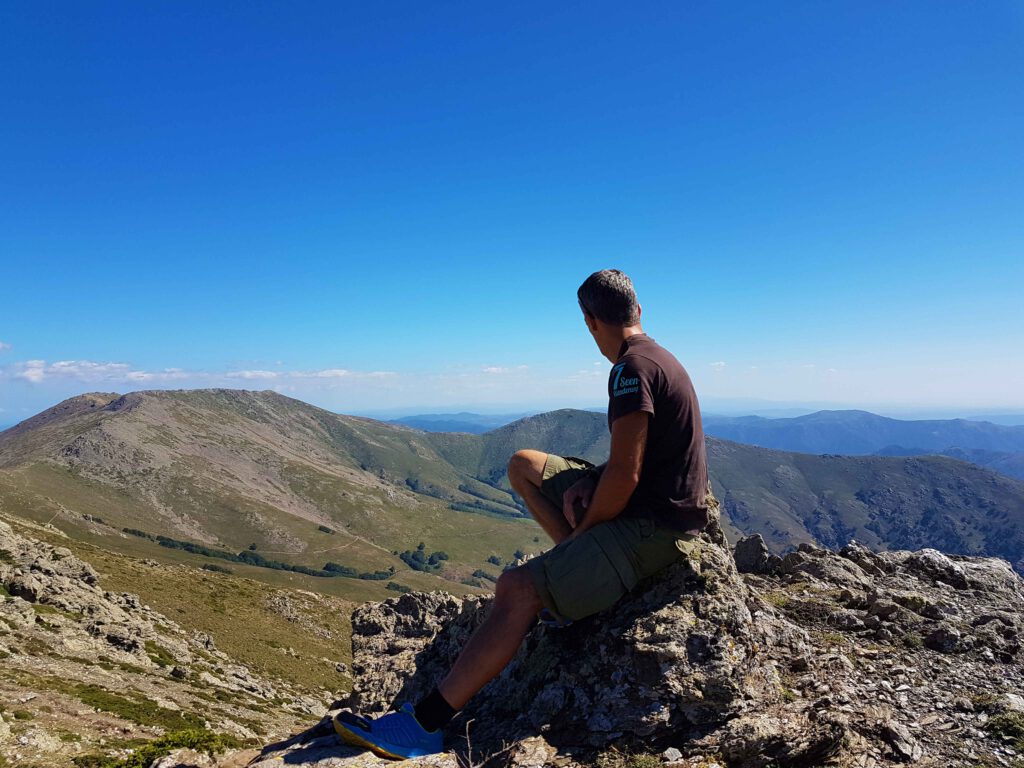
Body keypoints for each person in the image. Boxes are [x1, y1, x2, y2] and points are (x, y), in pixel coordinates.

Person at [334, 269, 712, 759]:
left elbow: (627, 477)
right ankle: (572, 574)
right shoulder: (654, 358)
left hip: (655, 529)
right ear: (638, 311)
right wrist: (589, 481)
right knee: (524, 465)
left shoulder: (630, 371)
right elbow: (631, 462)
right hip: (652, 507)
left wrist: (585, 533)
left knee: (516, 589)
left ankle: (423, 725)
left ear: (590, 321)